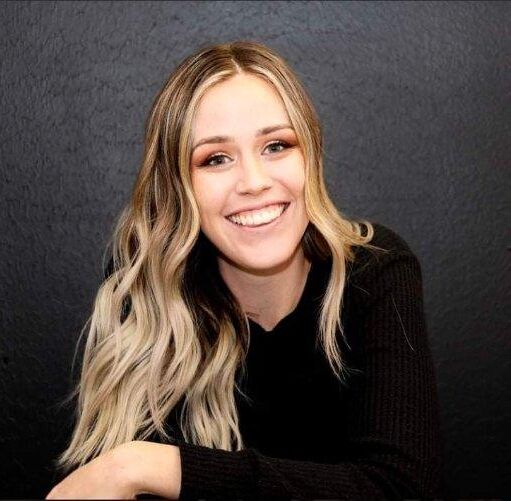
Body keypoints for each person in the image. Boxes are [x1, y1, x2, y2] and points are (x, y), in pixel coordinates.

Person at [46, 40, 444, 499]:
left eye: (277, 146)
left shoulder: (374, 271)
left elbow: (404, 490)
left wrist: (153, 465)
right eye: (215, 159)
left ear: (310, 156)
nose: (254, 182)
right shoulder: (149, 288)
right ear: (178, 186)